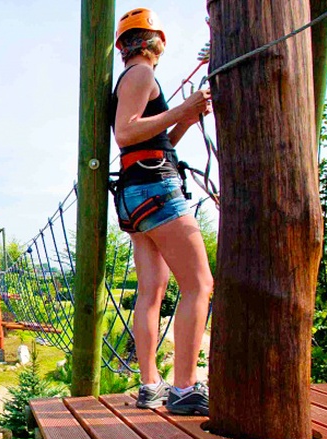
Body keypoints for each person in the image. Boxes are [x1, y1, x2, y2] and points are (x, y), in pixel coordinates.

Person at [111, 8, 213, 415]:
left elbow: (151, 138)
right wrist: (180, 108)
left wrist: (185, 118)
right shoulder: (141, 75)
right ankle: (185, 388)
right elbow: (127, 131)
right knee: (199, 283)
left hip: (138, 191)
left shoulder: (131, 78)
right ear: (156, 42)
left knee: (152, 289)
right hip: (156, 188)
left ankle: (150, 384)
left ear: (124, 44)